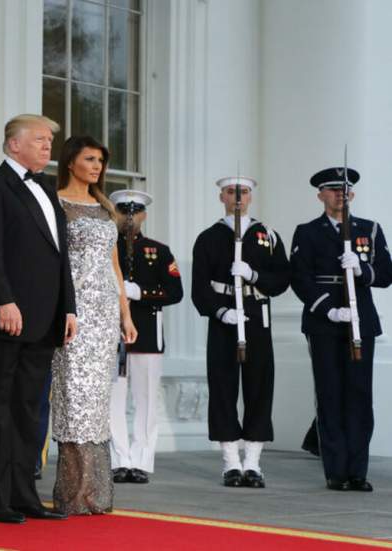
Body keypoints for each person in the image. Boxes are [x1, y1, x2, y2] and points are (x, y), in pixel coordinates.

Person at [0, 114, 77, 524]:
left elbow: (60, 256)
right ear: (14, 144)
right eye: (41, 140)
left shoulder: (47, 188)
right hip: (4, 319)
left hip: (45, 320)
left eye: (50, 141)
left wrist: (69, 307)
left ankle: (23, 495)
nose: (49, 147)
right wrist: (1, 300)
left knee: (28, 411)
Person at [290, 167, 392, 491]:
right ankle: (336, 471)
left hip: (361, 321)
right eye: (333, 189)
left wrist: (362, 269)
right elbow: (300, 277)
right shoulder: (307, 232)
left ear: (353, 194)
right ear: (320, 195)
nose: (340, 194)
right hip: (325, 322)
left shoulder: (369, 230)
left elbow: (386, 273)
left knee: (360, 395)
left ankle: (358, 471)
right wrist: (327, 309)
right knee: (330, 394)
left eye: (345, 189)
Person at [50, 136, 137, 515]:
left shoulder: (105, 207)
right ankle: (73, 491)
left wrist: (126, 314)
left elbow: (114, 265)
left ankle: (95, 493)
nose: (97, 166)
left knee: (97, 400)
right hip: (73, 310)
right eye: (90, 159)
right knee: (73, 397)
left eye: (101, 160)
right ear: (71, 162)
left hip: (104, 313)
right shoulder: (56, 205)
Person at [191, 176, 289, 488]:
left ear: (251, 197)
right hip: (224, 318)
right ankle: (231, 462)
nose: (238, 197)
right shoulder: (209, 237)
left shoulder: (267, 235)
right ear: (221, 196)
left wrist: (254, 275)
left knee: (259, 386)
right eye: (232, 192)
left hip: (257, 315)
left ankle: (253, 462)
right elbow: (199, 287)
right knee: (223, 386)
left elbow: (282, 279)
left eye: (243, 192)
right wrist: (221, 311)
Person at [107, 189, 183, 485]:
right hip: (111, 333)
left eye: (134, 212)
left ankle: (141, 459)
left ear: (143, 216)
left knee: (146, 400)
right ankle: (119, 459)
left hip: (147, 334)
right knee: (113, 401)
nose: (129, 218)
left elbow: (175, 292)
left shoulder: (158, 250)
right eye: (123, 212)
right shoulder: (105, 248)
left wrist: (141, 293)